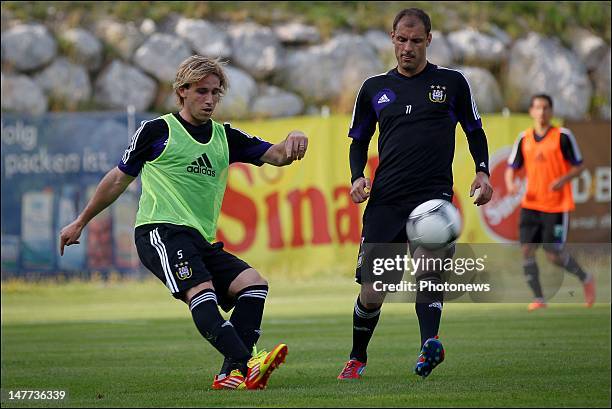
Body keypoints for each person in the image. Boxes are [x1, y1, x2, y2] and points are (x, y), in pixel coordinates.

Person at [60, 55, 309, 390]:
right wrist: (80, 221)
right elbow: (118, 180)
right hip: (159, 231)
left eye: (215, 93)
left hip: (201, 240)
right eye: (201, 92)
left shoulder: (225, 136)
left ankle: (230, 374)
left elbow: (277, 155)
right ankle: (250, 364)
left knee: (253, 285)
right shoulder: (157, 131)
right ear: (182, 92)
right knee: (201, 292)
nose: (209, 100)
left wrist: (293, 137)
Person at [337, 8, 493, 380]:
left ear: (429, 41)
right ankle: (357, 357)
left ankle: (429, 344)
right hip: (386, 201)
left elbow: (474, 130)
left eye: (416, 41)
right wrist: (357, 177)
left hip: (433, 198)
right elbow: (358, 141)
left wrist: (483, 171)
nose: (408, 48)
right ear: (392, 38)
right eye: (402, 40)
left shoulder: (452, 83)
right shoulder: (374, 88)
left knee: (429, 268)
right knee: (374, 292)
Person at [505, 94, 595, 312]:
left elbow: (579, 166)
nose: (542, 112)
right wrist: (510, 184)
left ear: (551, 111)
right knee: (527, 250)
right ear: (531, 112)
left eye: (546, 108)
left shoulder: (562, 136)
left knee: (553, 254)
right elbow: (511, 167)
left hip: (556, 205)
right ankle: (539, 299)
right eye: (538, 107)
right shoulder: (524, 138)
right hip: (531, 204)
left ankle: (585, 278)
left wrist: (563, 179)